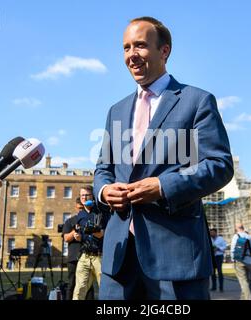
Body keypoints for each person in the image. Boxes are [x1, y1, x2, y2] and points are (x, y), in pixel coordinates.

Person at [94, 16, 234, 300]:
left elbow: (219, 165)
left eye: (141, 45)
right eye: (126, 47)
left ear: (164, 51)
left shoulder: (196, 101)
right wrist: (105, 191)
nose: (132, 55)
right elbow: (103, 169)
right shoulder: (116, 111)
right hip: (119, 259)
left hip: (177, 257)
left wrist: (162, 187)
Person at [70, 186, 108, 300]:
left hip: (99, 257)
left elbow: (104, 233)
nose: (84, 197)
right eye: (82, 195)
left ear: (92, 196)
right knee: (79, 289)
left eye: (87, 195)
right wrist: (78, 237)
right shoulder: (80, 215)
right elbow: (81, 235)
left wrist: (98, 232)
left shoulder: (101, 211)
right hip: (84, 256)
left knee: (105, 288)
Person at [62, 196, 94, 300]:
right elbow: (66, 238)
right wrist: (75, 231)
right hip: (73, 258)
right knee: (72, 283)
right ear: (76, 207)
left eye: (83, 208)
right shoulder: (70, 221)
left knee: (88, 285)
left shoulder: (91, 219)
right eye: (80, 208)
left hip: (88, 256)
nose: (82, 210)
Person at [231, 224, 251, 300]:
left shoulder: (236, 236)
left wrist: (233, 259)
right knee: (247, 281)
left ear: (236, 228)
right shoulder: (249, 236)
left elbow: (232, 249)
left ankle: (248, 298)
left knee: (243, 282)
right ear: (243, 228)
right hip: (249, 261)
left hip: (239, 261)